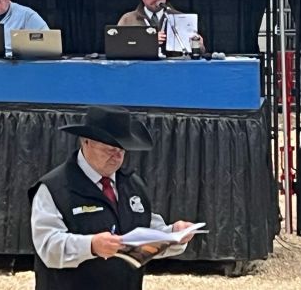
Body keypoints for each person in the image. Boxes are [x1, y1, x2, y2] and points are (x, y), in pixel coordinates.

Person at [29, 106, 198, 289]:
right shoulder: (54, 188)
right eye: (109, 149)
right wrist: (91, 246)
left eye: (122, 150)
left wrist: (173, 234)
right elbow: (48, 246)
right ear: (86, 142)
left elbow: (145, 228)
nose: (117, 156)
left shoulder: (132, 184)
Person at [117, 0, 206, 53]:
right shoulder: (128, 19)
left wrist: (198, 46)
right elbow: (117, 47)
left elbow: (197, 53)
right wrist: (148, 41)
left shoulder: (180, 19)